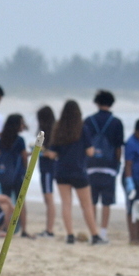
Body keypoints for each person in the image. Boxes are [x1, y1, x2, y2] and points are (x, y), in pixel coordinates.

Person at [49, 100, 103, 245]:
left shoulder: (58, 128)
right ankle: (95, 235)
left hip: (61, 171)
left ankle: (70, 235)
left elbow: (53, 153)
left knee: (66, 204)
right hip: (78, 170)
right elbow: (90, 151)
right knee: (86, 205)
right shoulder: (82, 129)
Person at [83, 90, 124, 243]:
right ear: (111, 103)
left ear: (97, 102)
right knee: (107, 202)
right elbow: (119, 147)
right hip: (109, 167)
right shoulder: (116, 122)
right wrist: (117, 165)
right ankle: (104, 232)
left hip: (91, 165)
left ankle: (93, 231)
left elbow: (84, 144)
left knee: (92, 201)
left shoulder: (88, 121)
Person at [0, 114, 32, 238]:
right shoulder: (20, 140)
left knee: (6, 201)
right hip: (17, 174)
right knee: (20, 203)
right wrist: (25, 169)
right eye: (21, 123)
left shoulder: (3, 139)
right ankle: (24, 230)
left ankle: (6, 228)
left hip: (5, 175)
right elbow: (24, 156)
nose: (22, 125)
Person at [36, 106, 57, 237]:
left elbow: (53, 153)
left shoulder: (51, 133)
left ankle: (49, 229)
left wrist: (42, 151)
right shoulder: (49, 132)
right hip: (44, 167)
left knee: (49, 198)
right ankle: (48, 228)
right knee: (47, 198)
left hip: (48, 168)